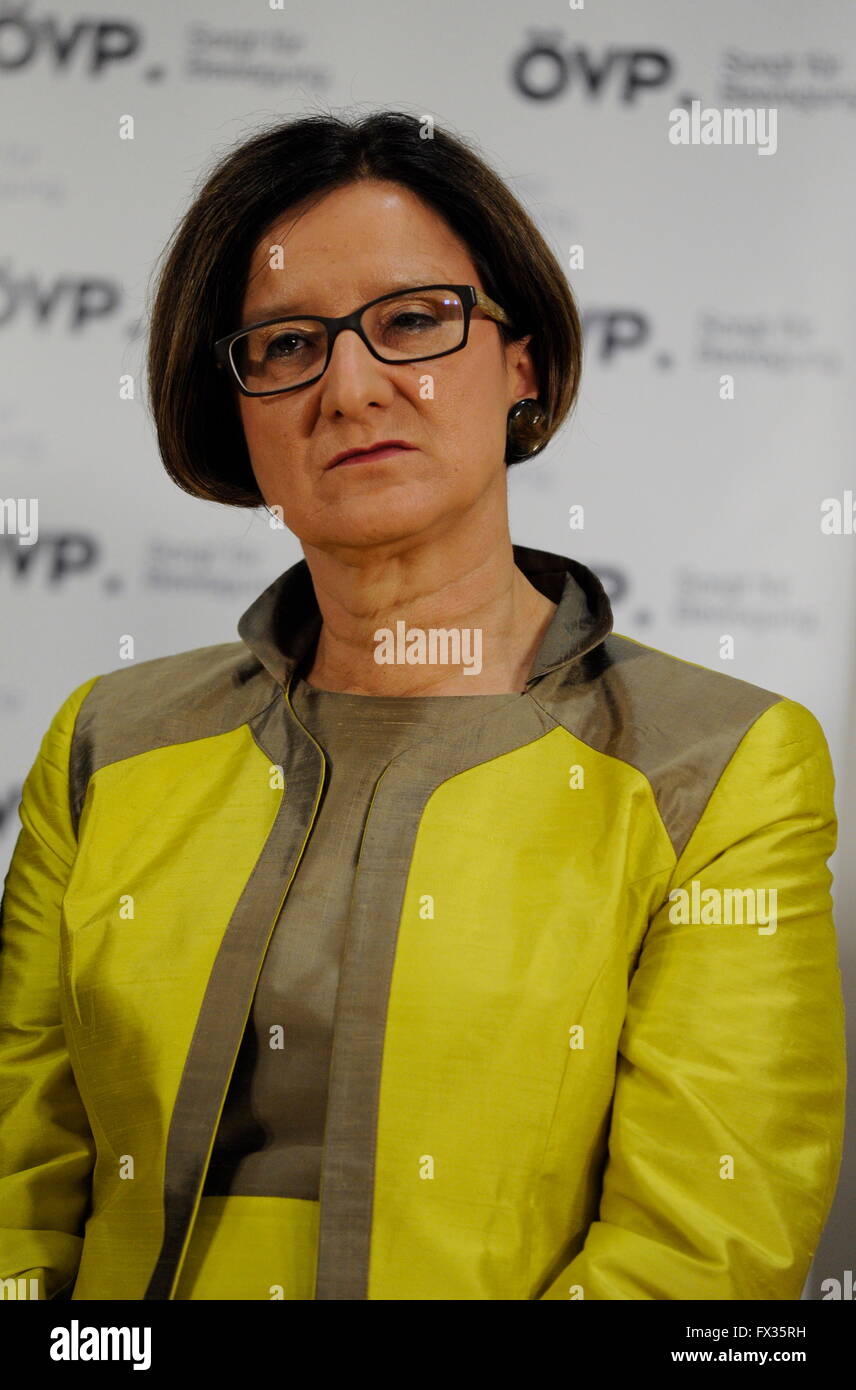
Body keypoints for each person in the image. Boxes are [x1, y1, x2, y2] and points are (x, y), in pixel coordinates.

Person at [0, 110, 846, 1302]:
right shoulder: (107, 743)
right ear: (236, 410)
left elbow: (704, 1256)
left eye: (410, 321)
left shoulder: (716, 765)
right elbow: (16, 1194)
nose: (349, 387)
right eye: (287, 344)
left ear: (522, 364)